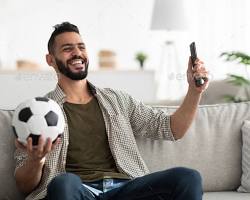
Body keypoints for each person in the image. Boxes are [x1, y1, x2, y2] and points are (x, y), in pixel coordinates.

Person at [14, 22, 209, 200]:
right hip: (79, 192)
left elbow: (170, 129)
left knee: (188, 177)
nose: (77, 53)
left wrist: (194, 90)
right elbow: (24, 186)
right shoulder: (36, 113)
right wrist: (36, 159)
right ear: (50, 60)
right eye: (67, 49)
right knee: (64, 183)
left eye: (81, 47)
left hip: (125, 189)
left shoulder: (117, 99)